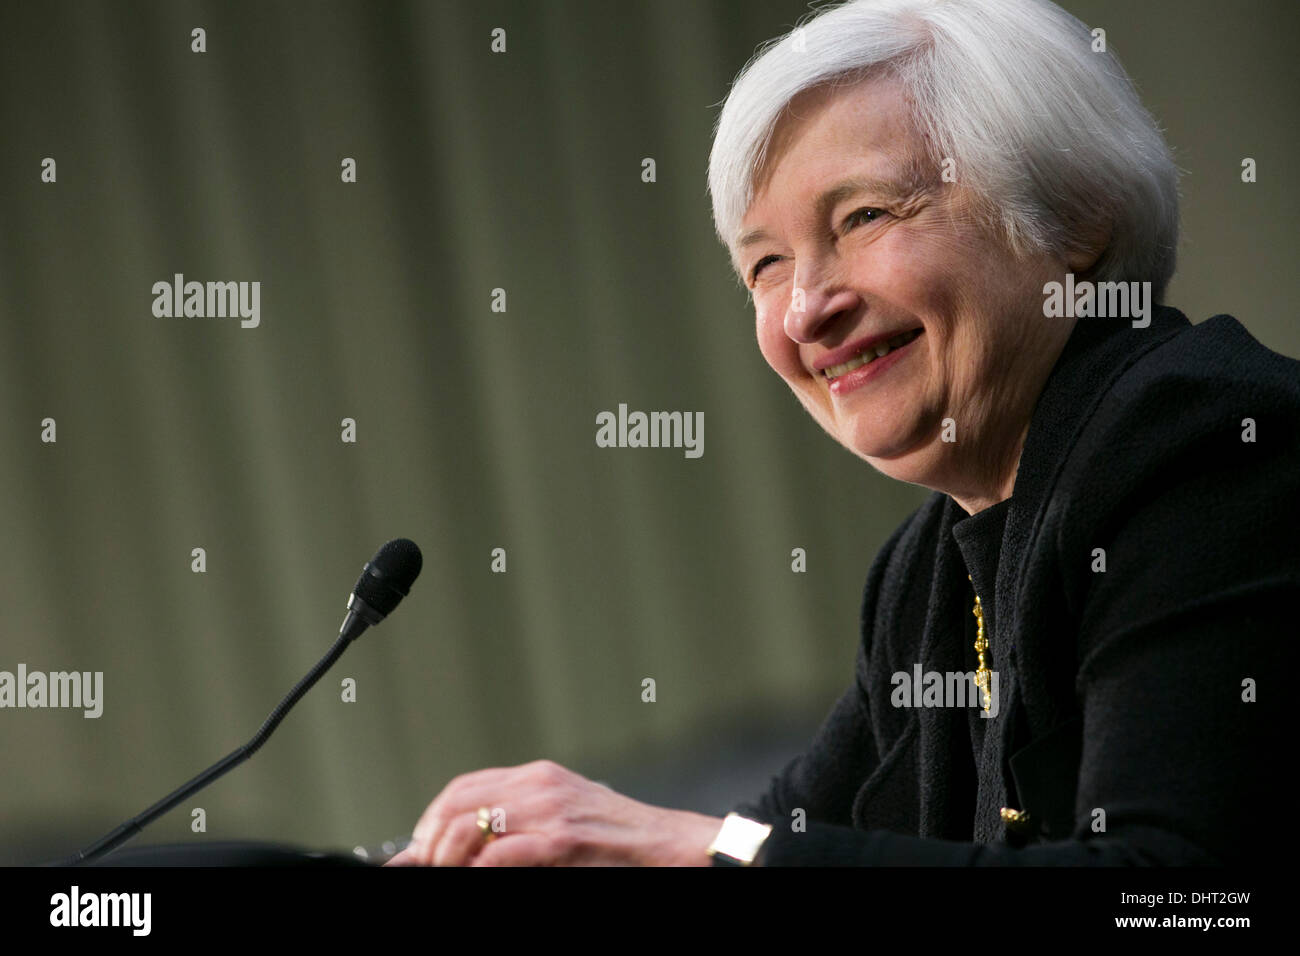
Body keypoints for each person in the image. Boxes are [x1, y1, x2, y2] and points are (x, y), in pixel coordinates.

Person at [387, 0, 1295, 867]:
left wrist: (695, 849)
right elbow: (792, 838)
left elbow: (1184, 900)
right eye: (765, 265)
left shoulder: (1205, 443)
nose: (806, 309)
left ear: (1075, 217)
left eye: (864, 217)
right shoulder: (927, 576)